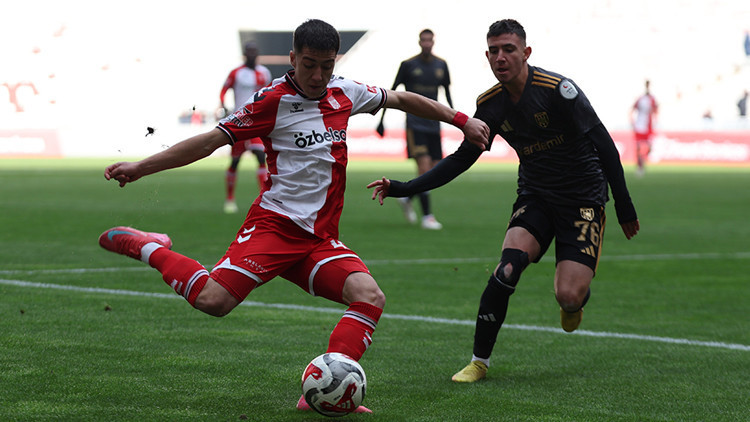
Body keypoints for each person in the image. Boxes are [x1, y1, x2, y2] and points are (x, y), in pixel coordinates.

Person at [99, 19, 489, 412]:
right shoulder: (271, 101)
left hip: (318, 239)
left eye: (327, 66)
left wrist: (462, 120)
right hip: (275, 228)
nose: (318, 76)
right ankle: (150, 247)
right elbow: (209, 141)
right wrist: (141, 167)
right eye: (309, 65)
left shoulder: (345, 92)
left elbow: (402, 99)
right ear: (292, 58)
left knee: (369, 297)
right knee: (213, 301)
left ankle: (325, 392)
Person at [368, 19, 640, 383]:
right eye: (494, 51)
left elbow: (604, 144)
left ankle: (576, 300)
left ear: (526, 53)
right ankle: (478, 362)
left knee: (568, 296)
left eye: (509, 49)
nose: (501, 57)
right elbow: (461, 159)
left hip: (582, 199)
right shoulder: (490, 104)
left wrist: (624, 204)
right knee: (506, 269)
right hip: (536, 196)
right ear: (487, 56)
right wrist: (405, 188)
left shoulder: (559, 91)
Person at [375, 29, 454, 230]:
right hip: (415, 124)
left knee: (435, 169)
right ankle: (427, 217)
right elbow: (392, 92)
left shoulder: (441, 65)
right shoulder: (408, 65)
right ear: (420, 42)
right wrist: (382, 120)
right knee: (424, 168)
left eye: (429, 40)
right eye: (423, 40)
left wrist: (457, 120)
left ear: (433, 42)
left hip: (434, 123)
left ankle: (406, 196)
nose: (426, 43)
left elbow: (447, 93)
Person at [219, 41, 273, 213]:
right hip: (239, 122)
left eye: (254, 51)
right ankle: (229, 199)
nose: (252, 54)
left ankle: (264, 199)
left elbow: (270, 93)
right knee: (235, 161)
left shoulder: (264, 73)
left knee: (260, 157)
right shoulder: (236, 73)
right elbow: (224, 90)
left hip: (257, 123)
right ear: (245, 53)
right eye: (249, 51)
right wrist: (223, 106)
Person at [630, 80, 658, 176]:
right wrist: (632, 122)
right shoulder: (640, 99)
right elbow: (632, 109)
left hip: (648, 127)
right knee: (638, 147)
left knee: (649, 148)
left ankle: (642, 160)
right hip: (639, 126)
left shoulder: (652, 99)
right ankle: (639, 166)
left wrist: (656, 121)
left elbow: (656, 110)